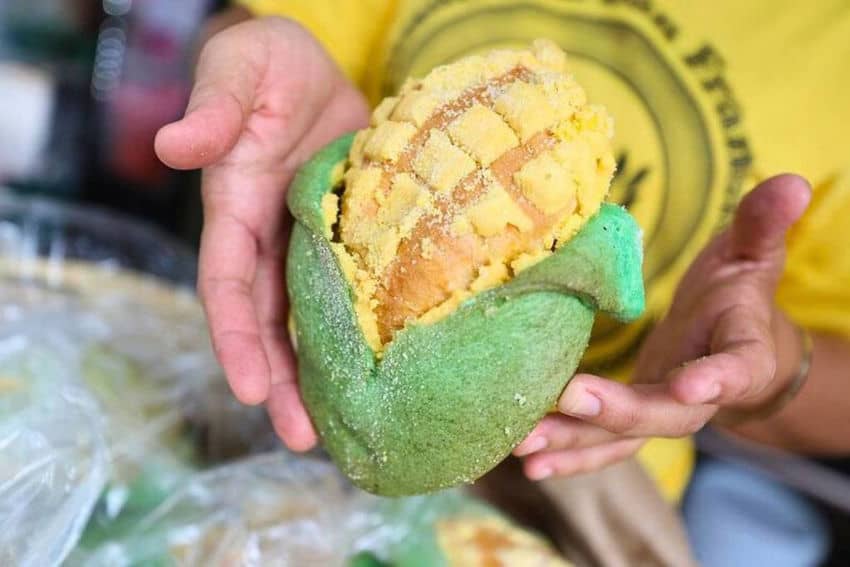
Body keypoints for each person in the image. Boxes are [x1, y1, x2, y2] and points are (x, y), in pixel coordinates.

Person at [155, 2, 850, 564]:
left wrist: (772, 364)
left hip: (576, 493)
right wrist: (240, 51)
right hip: (282, 380)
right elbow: (265, 29)